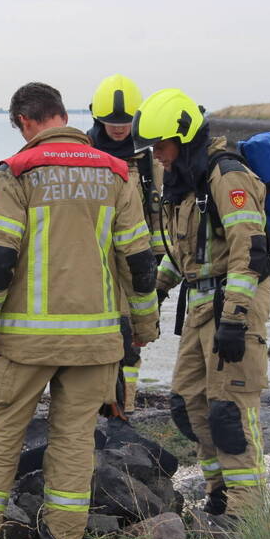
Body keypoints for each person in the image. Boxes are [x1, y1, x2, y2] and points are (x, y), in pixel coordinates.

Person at [0, 82, 160, 539]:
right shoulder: (115, 172)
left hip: (26, 343)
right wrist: (144, 327)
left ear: (25, 122)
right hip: (97, 343)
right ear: (63, 115)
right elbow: (139, 260)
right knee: (74, 440)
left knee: (0, 432)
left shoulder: (18, 172)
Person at [132, 88, 270, 530]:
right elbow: (183, 251)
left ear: (185, 136)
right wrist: (155, 290)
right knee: (188, 401)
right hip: (202, 301)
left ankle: (245, 514)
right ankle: (217, 494)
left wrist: (235, 317)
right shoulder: (186, 181)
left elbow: (250, 250)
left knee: (229, 408)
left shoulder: (226, 177)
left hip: (234, 302)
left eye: (162, 146)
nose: (159, 156)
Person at [88, 74, 166, 413]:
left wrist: (159, 268)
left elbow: (159, 215)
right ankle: (95, 409)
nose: (118, 128)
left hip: (136, 263)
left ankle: (125, 411)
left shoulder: (148, 161)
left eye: (125, 122)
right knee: (94, 341)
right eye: (111, 122)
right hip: (92, 265)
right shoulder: (84, 154)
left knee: (132, 342)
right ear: (96, 116)